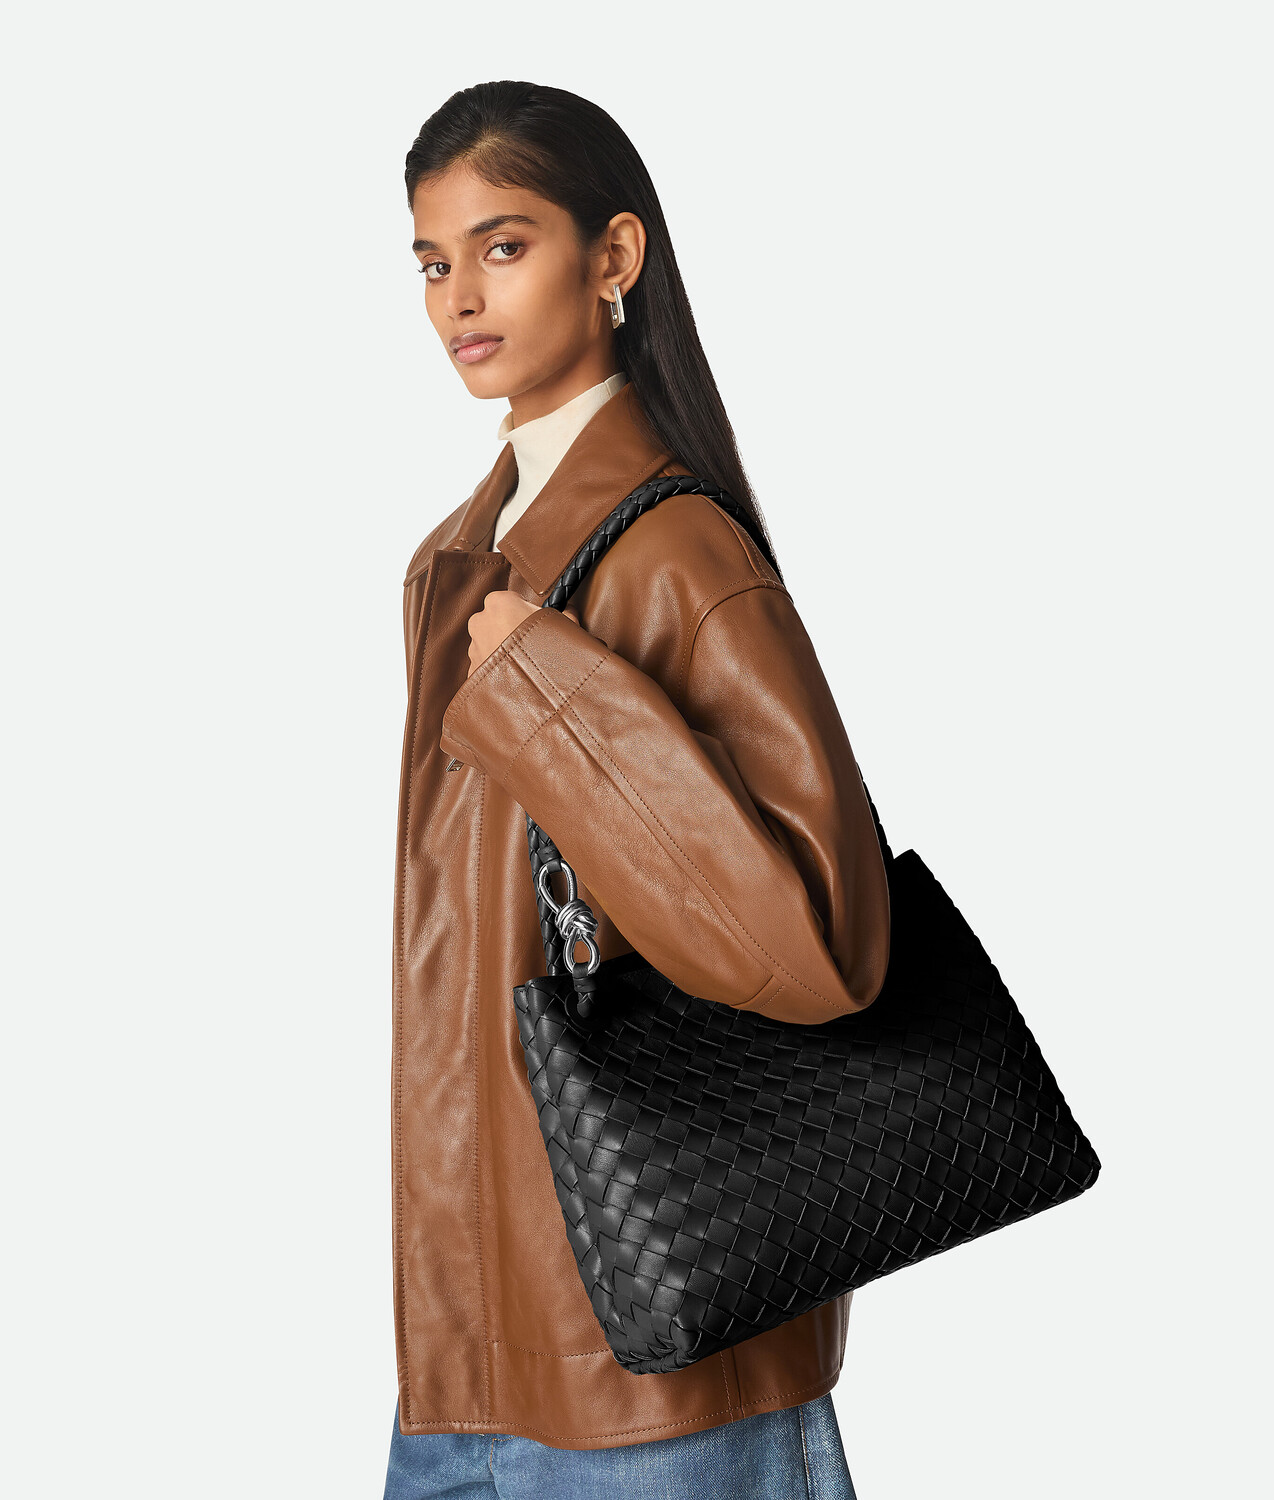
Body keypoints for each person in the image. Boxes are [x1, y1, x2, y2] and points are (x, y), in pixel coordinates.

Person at [385, 80, 890, 1500]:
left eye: (503, 246)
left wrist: (552, 695)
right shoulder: (459, 562)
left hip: (660, 1374)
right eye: (431, 260)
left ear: (612, 258)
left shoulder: (674, 552)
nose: (457, 297)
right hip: (467, 1365)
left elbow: (816, 946)